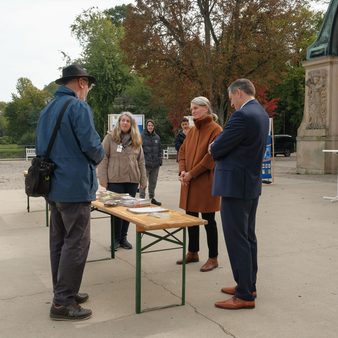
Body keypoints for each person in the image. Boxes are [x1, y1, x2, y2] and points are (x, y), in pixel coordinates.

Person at [35, 64, 105, 320]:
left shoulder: (47, 109)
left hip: (53, 185)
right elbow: (91, 145)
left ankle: (63, 291)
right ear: (82, 83)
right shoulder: (78, 107)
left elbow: (42, 146)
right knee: (76, 243)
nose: (88, 90)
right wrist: (100, 155)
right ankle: (63, 302)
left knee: (59, 242)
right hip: (74, 186)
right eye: (88, 85)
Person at [209, 78, 269, 310]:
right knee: (248, 237)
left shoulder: (242, 116)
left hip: (235, 186)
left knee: (237, 240)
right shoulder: (261, 113)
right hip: (250, 185)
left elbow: (219, 147)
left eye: (232, 97)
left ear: (239, 93)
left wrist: (212, 147)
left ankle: (244, 294)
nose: (231, 102)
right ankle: (248, 284)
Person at [176, 96, 222, 272]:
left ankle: (213, 257)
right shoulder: (193, 131)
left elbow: (210, 158)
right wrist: (182, 171)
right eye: (191, 108)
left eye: (195, 108)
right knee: (191, 218)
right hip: (189, 182)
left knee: (209, 220)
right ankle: (193, 252)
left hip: (205, 183)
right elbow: (182, 152)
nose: (192, 111)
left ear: (206, 109)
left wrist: (191, 174)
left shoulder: (216, 130)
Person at [97, 112, 147, 250]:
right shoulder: (110, 138)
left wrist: (143, 180)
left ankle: (123, 238)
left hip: (132, 180)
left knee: (128, 211)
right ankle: (115, 239)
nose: (125, 123)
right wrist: (103, 181)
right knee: (116, 212)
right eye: (122, 120)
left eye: (128, 121)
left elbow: (141, 161)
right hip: (115, 180)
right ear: (118, 123)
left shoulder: (136, 140)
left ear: (131, 124)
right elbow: (103, 159)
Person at [139, 119, 162, 206]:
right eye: (149, 125)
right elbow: (139, 150)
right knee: (143, 182)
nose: (150, 127)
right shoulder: (141, 136)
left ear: (153, 127)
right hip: (145, 164)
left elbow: (160, 150)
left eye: (151, 125)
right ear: (146, 126)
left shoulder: (157, 137)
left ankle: (152, 198)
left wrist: (160, 160)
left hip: (155, 165)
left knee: (153, 183)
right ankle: (141, 198)